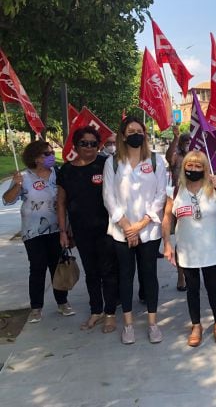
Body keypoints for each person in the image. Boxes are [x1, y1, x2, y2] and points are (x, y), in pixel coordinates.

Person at [103, 116, 167, 345]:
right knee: (125, 276)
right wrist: (127, 227)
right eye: (130, 131)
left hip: (148, 232)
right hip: (121, 232)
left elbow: (161, 196)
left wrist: (140, 225)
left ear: (145, 135)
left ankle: (152, 323)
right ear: (122, 135)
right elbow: (109, 197)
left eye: (139, 131)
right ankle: (128, 324)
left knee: (149, 276)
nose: (135, 134)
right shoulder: (112, 163)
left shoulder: (156, 161)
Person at [163, 150, 216, 346]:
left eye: (198, 166)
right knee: (192, 289)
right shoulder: (176, 190)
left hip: (210, 248)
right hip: (187, 249)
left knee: (212, 287)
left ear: (205, 168)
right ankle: (196, 325)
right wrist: (167, 242)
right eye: (190, 165)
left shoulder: (212, 187)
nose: (193, 169)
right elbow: (167, 218)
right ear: (184, 167)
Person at [2, 141, 74, 323]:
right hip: (32, 231)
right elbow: (7, 200)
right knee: (37, 267)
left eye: (51, 152)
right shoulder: (24, 176)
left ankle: (62, 302)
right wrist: (17, 185)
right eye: (46, 154)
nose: (51, 156)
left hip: (57, 228)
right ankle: (36, 308)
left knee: (56, 266)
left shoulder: (57, 174)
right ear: (35, 158)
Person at [57, 126, 118, 333]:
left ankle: (110, 314)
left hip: (106, 229)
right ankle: (96, 310)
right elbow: (61, 203)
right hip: (81, 231)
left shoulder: (105, 164)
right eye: (85, 143)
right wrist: (63, 231)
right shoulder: (66, 170)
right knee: (91, 273)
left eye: (94, 143)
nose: (90, 147)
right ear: (76, 145)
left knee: (108, 271)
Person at [165, 125, 191, 291]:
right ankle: (181, 276)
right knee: (181, 240)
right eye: (185, 141)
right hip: (178, 199)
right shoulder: (177, 156)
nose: (188, 144)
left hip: (196, 199)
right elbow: (169, 157)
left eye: (190, 141)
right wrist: (175, 138)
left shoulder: (196, 156)